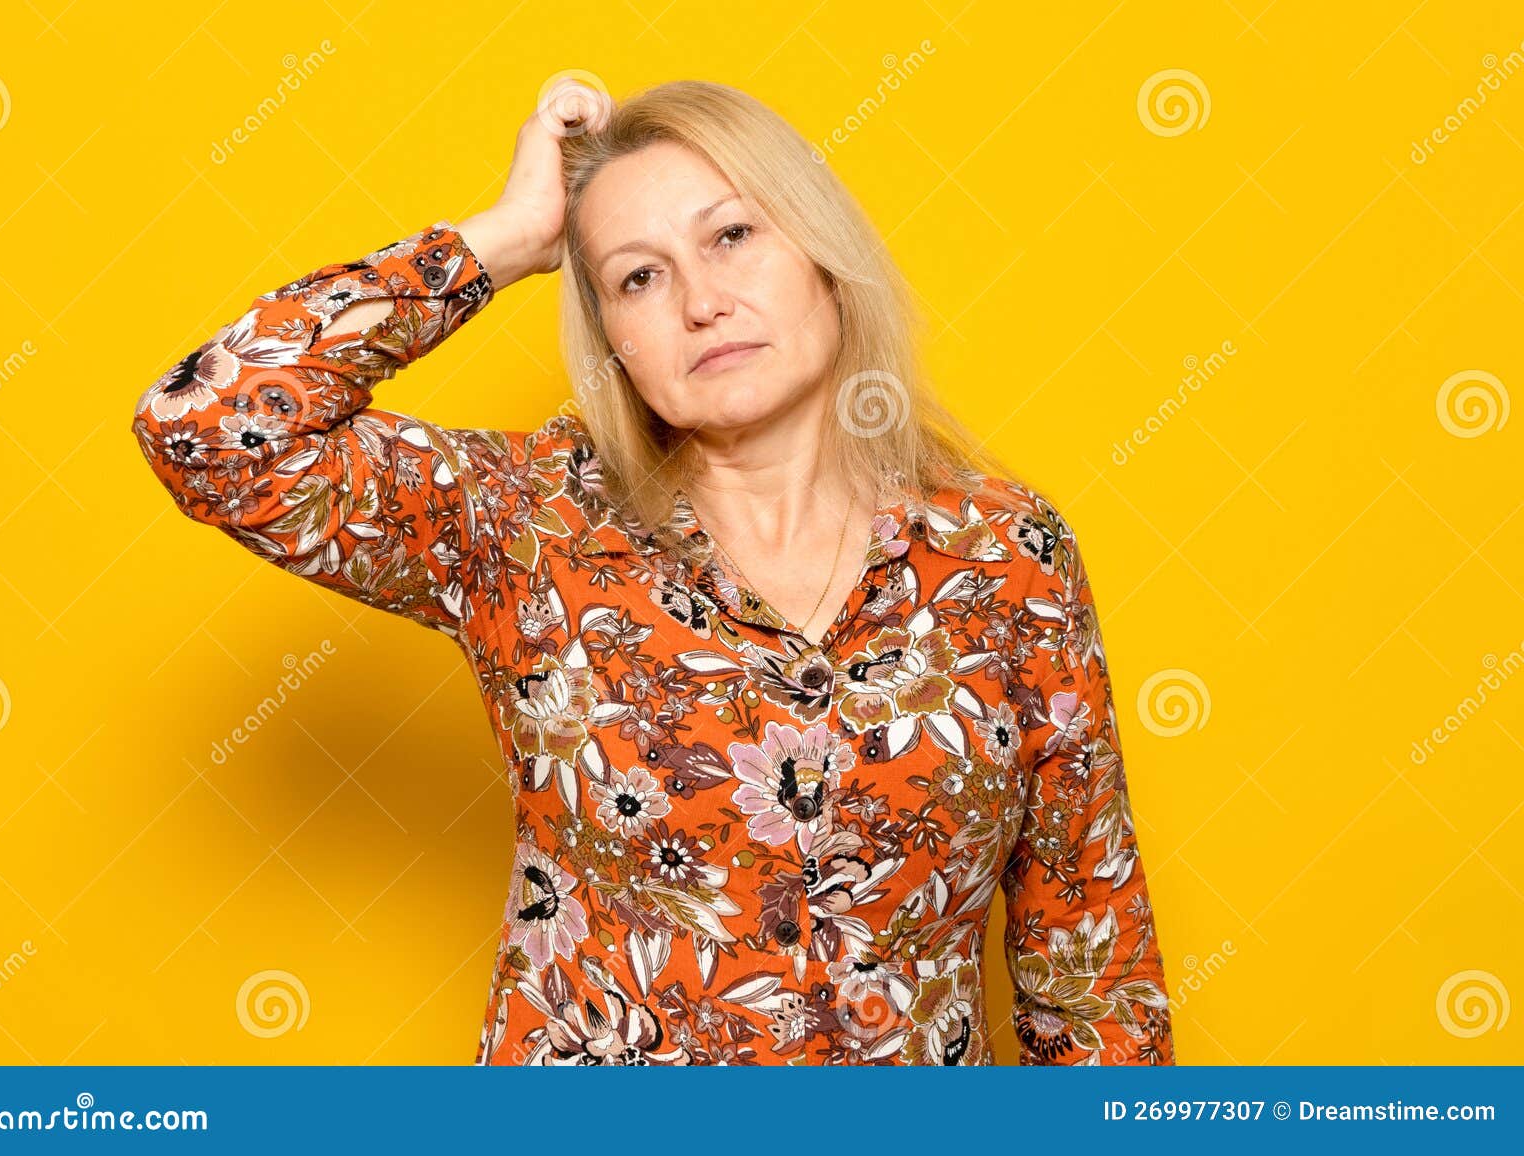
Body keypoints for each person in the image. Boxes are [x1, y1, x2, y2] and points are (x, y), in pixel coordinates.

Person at [131, 75, 1175, 1066]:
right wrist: (504, 242)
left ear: (821, 250)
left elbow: (1092, 971)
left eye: (732, 235)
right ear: (612, 336)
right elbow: (210, 430)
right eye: (638, 275)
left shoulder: (1003, 553)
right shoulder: (528, 522)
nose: (701, 301)